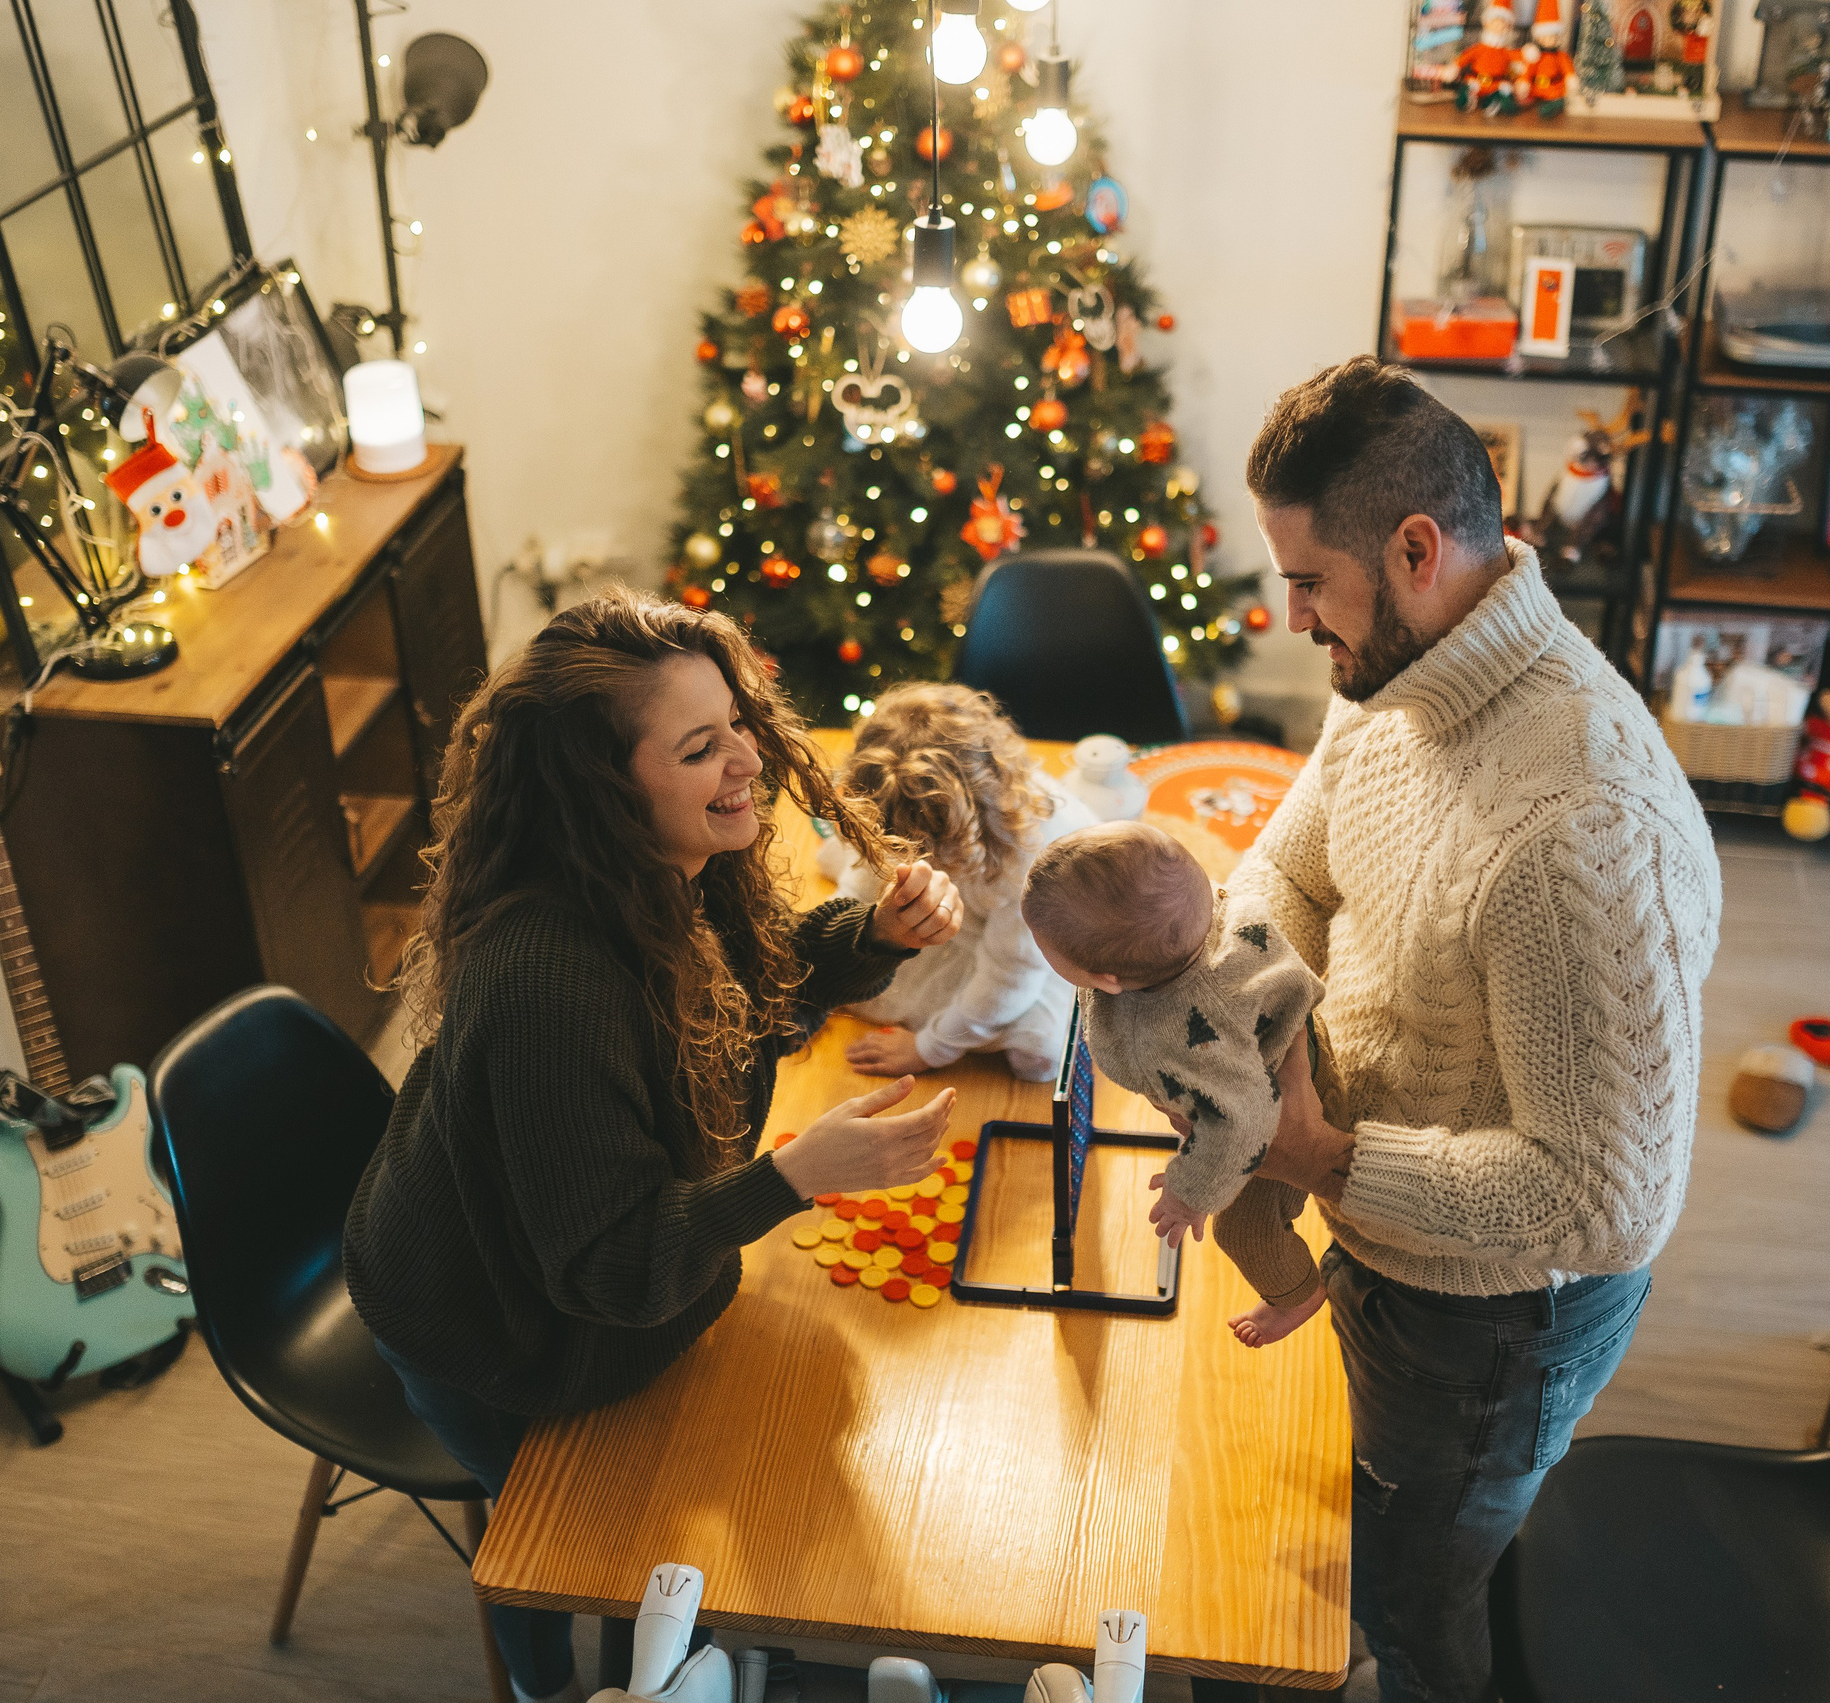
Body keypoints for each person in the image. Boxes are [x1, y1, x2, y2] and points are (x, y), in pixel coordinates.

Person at [343, 589, 963, 1703]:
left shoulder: (672, 873)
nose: (749, 761)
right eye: (698, 748)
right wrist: (790, 1177)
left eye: (738, 724)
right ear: (602, 789)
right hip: (485, 1320)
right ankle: (537, 1680)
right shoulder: (549, 979)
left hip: (579, 1263)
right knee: (553, 1551)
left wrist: (870, 932)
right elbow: (607, 1266)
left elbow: (755, 985)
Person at [1224, 357, 1721, 1703]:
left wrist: (1324, 1156)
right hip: (1391, 1234)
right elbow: (1284, 868)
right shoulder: (1398, 678)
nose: (1293, 619)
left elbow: (1609, 1198)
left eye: (1308, 582)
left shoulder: (1580, 824)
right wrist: (1264, 1028)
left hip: (1493, 1322)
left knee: (1418, 1592)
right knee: (1395, 1513)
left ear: (1415, 549)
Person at [1021, 821, 1329, 1348]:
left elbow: (1245, 1119)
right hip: (1270, 1034)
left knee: (1244, 1231)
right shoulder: (1203, 908)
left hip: (1270, 1104)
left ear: (1108, 980)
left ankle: (1297, 1292)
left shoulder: (1181, 1040)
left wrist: (1191, 1193)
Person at [834, 682, 1096, 1084]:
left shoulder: (1036, 870)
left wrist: (928, 1049)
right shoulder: (954, 812)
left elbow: (1009, 977)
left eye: (919, 848)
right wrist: (831, 961)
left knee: (1037, 1047)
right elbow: (871, 875)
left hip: (1046, 944)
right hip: (984, 905)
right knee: (872, 932)